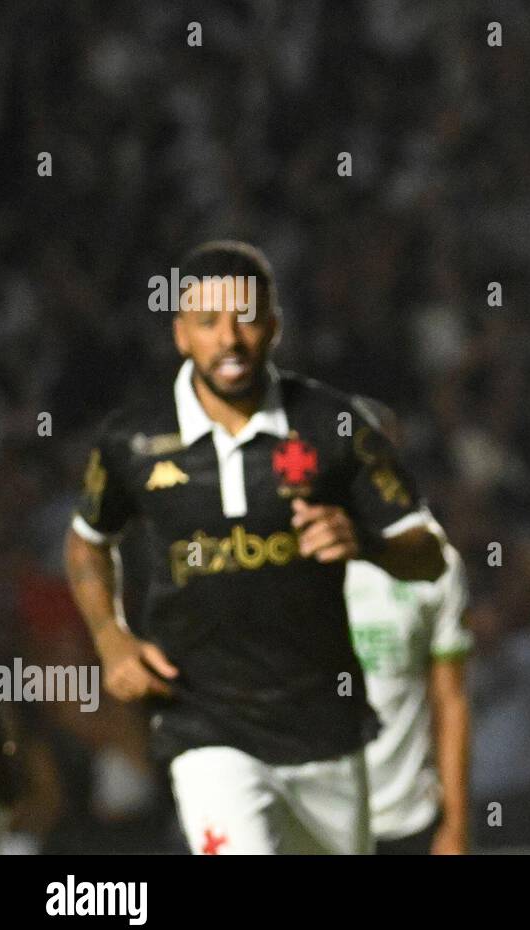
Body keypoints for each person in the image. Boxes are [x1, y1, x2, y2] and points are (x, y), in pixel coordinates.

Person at [64, 240, 446, 854]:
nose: (230, 339)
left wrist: (366, 543)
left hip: (324, 727)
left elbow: (427, 553)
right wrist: (110, 639)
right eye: (208, 322)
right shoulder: (131, 440)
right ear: (181, 334)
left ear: (274, 324)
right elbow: (86, 545)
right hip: (204, 725)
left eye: (245, 317)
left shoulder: (336, 424)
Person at [343, 397, 471, 855]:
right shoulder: (291, 554)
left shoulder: (435, 560)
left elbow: (450, 699)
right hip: (317, 814)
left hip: (408, 820)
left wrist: (455, 826)